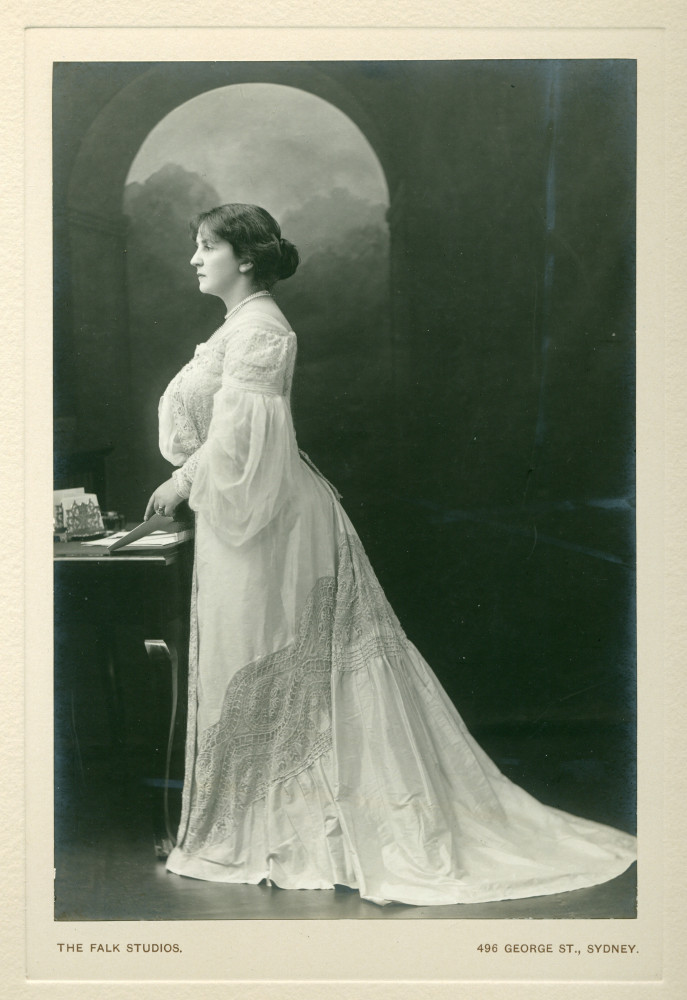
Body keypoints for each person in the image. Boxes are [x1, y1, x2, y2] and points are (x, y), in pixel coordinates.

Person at [147, 202, 636, 907]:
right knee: (258, 661)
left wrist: (182, 479)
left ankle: (297, 827)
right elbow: (224, 435)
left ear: (243, 258)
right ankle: (264, 824)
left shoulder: (260, 330)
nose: (194, 259)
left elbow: (244, 448)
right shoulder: (234, 329)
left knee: (291, 665)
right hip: (250, 522)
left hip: (272, 523)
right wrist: (191, 476)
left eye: (205, 247)